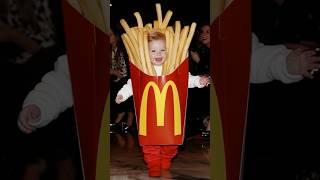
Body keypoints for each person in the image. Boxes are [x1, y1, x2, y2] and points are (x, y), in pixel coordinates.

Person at [115, 31, 210, 177]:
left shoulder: (173, 67)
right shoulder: (143, 69)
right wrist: (122, 94)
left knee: (171, 142)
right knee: (149, 142)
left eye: (162, 50)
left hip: (170, 115)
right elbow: (132, 84)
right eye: (153, 50)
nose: (158, 54)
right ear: (145, 53)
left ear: (168, 51)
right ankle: (153, 164)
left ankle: (166, 158)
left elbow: (187, 79)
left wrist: (199, 81)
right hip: (149, 115)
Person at [109, 27, 134, 131]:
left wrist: (115, 72)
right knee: (121, 105)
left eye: (110, 35)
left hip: (126, 81)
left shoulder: (123, 49)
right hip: (116, 82)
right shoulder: (109, 50)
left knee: (126, 107)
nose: (108, 37)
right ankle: (122, 125)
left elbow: (125, 69)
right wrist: (112, 71)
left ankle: (124, 124)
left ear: (116, 36)